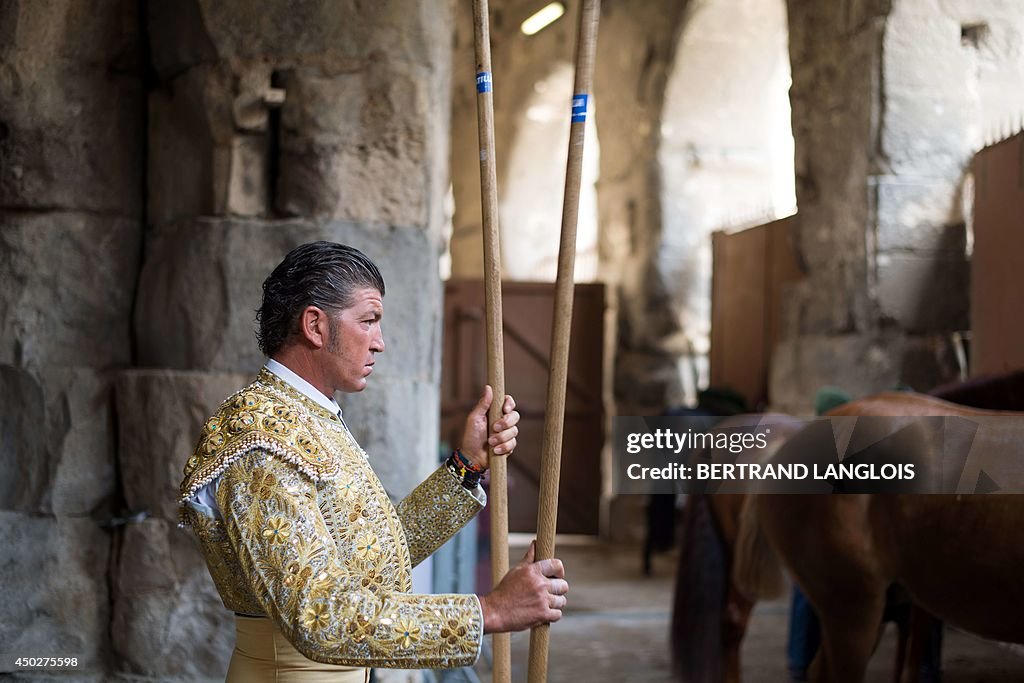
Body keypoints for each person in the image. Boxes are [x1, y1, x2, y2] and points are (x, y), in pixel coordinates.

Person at [178, 242, 568, 682]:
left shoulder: (306, 416)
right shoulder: (261, 436)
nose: (380, 343)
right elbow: (317, 613)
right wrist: (489, 612)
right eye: (368, 321)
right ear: (315, 325)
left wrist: (467, 464)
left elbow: (371, 556)